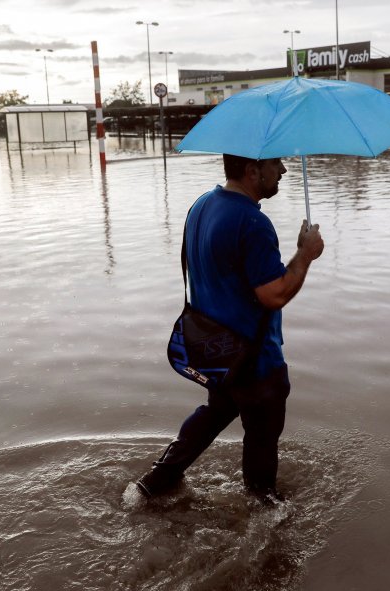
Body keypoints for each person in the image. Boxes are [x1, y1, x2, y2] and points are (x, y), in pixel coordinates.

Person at [137, 154, 324, 502]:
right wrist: (305, 255)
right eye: (275, 164)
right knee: (262, 438)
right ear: (253, 171)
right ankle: (262, 517)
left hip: (216, 348)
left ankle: (154, 482)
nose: (283, 170)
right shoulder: (252, 221)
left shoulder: (202, 205)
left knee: (216, 410)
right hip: (254, 358)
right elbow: (274, 294)